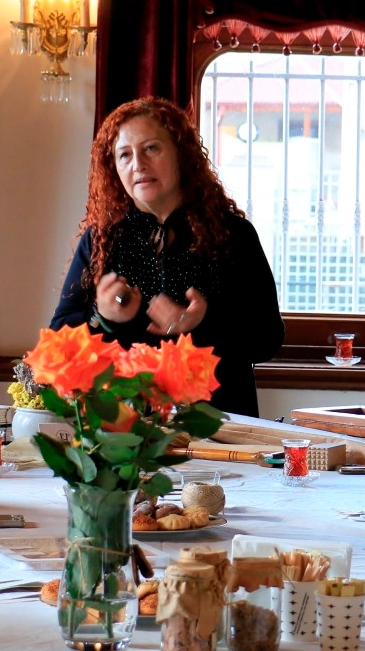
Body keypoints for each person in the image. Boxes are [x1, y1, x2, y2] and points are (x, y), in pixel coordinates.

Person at [50, 97, 283, 416]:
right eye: (125, 155)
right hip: (123, 430)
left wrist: (203, 324)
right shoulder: (101, 239)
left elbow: (267, 338)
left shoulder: (235, 234)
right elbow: (60, 336)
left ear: (181, 155)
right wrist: (103, 317)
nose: (138, 165)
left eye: (151, 149)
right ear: (114, 169)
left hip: (219, 424)